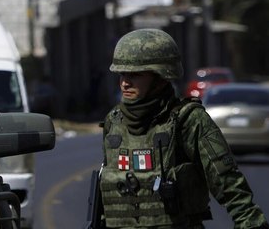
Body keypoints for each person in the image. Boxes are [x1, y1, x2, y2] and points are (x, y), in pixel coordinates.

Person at [99, 28, 268, 229]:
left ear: (160, 77)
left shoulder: (188, 120)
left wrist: (251, 223)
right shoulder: (114, 121)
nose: (125, 83)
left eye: (135, 75)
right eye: (122, 74)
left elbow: (228, 182)